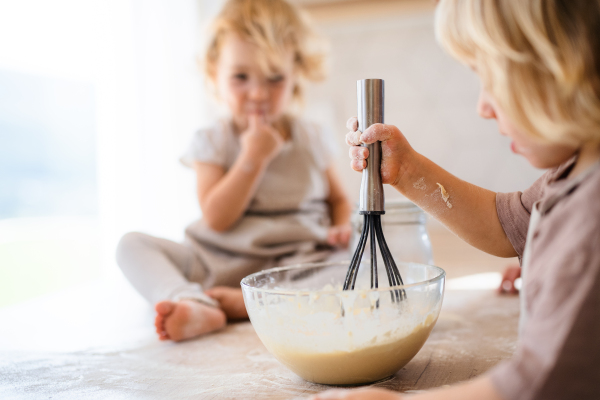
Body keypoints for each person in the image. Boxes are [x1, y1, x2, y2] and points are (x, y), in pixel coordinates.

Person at [312, 0, 600, 399]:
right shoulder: (573, 176)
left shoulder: (593, 214)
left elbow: (540, 387)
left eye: (490, 78)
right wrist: (407, 171)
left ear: (562, 68)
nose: (483, 107)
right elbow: (505, 226)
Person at [116, 0, 352, 342]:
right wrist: (251, 159)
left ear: (296, 74)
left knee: (355, 261)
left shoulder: (311, 137)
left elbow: (340, 199)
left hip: (294, 264)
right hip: (215, 262)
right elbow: (216, 218)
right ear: (214, 73)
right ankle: (191, 299)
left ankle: (247, 304)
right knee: (130, 246)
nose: (258, 93)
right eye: (241, 77)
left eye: (275, 78)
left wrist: (342, 226)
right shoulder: (212, 140)